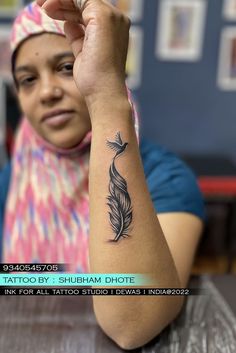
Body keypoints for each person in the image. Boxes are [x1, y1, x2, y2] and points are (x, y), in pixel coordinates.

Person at [0, 0, 205, 349]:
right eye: (28, 80)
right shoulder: (12, 182)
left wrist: (106, 95)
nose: (47, 92)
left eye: (67, 67)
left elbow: (133, 322)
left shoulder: (166, 179)